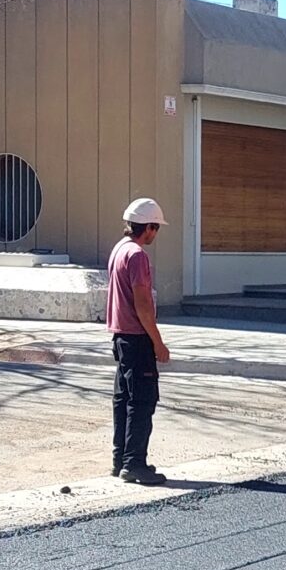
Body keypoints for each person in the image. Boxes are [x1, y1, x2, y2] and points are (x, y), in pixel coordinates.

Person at [106, 197, 171, 484]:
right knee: (142, 402)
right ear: (150, 227)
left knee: (123, 400)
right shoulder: (137, 256)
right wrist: (158, 342)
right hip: (137, 339)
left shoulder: (119, 250)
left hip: (120, 338)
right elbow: (143, 304)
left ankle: (121, 458)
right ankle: (134, 464)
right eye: (156, 228)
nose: (156, 234)